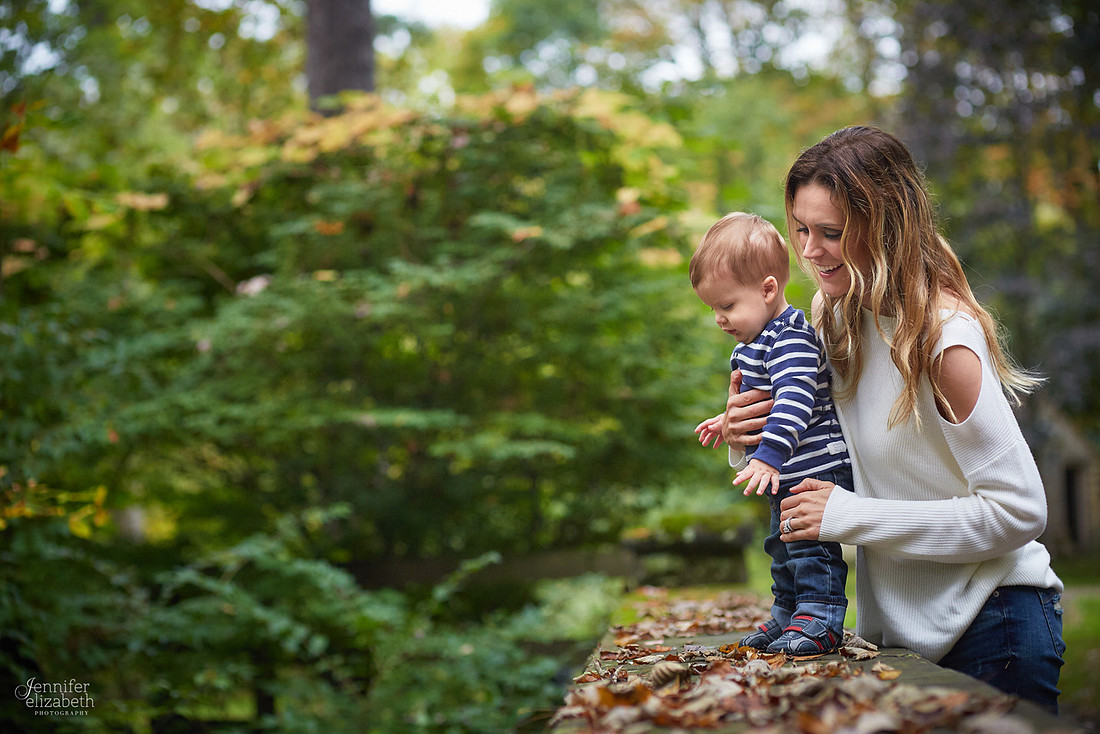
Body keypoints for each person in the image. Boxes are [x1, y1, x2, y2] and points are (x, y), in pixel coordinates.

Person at [719, 125, 1065, 712]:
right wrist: (746, 433)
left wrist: (849, 515)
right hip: (900, 641)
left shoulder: (944, 341)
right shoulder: (833, 318)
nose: (809, 250)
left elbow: (1021, 511)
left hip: (995, 627)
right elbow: (821, 444)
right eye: (801, 228)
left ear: (886, 229)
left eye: (831, 233)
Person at [690, 212, 854, 655]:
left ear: (767, 289)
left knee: (809, 546)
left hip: (815, 467)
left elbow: (795, 400)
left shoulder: (791, 339)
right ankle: (787, 613)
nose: (719, 320)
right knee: (781, 546)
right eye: (713, 309)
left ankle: (821, 617)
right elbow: (758, 404)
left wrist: (766, 457)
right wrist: (728, 424)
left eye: (727, 306)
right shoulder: (754, 343)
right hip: (785, 471)